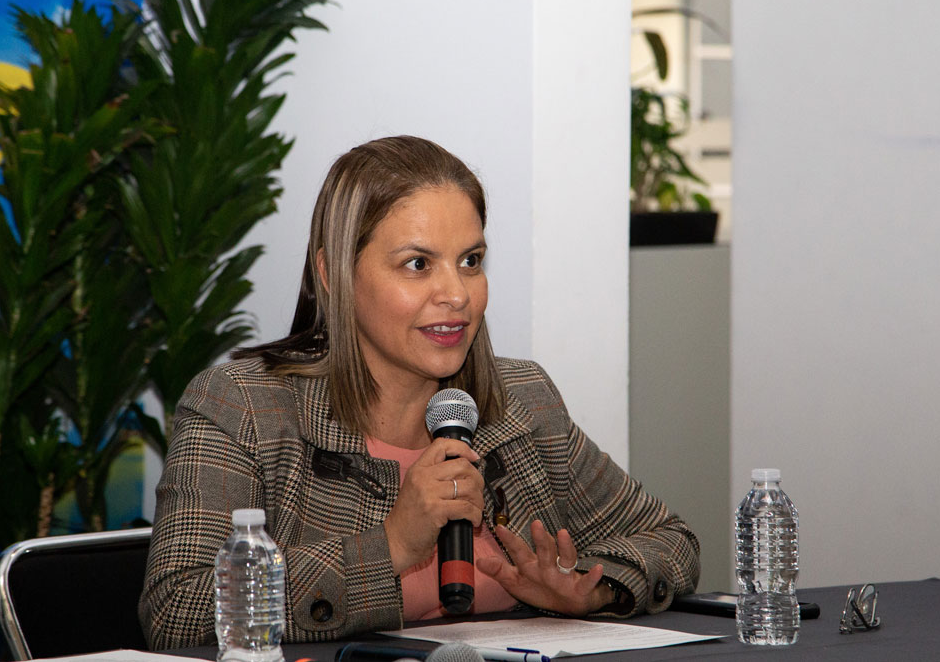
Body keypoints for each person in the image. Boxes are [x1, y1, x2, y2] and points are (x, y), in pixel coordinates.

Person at [139, 135, 700, 649]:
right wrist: (390, 545)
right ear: (332, 275)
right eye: (417, 264)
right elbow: (178, 607)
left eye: (470, 262)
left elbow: (671, 540)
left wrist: (588, 591)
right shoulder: (244, 407)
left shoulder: (521, 398)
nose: (456, 294)